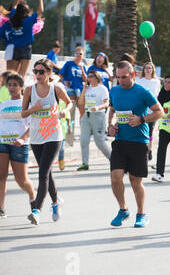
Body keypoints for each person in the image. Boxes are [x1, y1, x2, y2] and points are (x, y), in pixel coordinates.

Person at [107, 60, 163, 228]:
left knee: (135, 181)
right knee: (115, 178)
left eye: (124, 77)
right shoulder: (114, 91)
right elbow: (112, 109)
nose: (120, 81)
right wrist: (110, 125)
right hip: (120, 141)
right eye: (117, 78)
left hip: (139, 142)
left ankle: (141, 214)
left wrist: (142, 119)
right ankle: (123, 210)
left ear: (133, 75)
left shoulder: (142, 92)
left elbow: (159, 111)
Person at [21, 59, 72, 225]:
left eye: (41, 72)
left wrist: (64, 110)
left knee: (43, 173)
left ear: (49, 73)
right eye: (35, 71)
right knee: (47, 173)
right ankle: (56, 202)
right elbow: (23, 114)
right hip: (36, 137)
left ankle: (36, 209)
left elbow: (69, 103)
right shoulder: (29, 90)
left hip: (53, 135)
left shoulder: (56, 89)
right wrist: (33, 109)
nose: (37, 74)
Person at [0, 73, 36, 218]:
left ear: (21, 87)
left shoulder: (26, 105)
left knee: (21, 180)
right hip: (3, 144)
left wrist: (22, 139)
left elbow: (32, 125)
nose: (12, 87)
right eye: (9, 85)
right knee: (1, 176)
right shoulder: (2, 105)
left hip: (20, 145)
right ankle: (1, 208)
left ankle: (34, 198)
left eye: (15, 85)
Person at [77, 70, 111, 171]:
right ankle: (85, 163)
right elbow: (80, 103)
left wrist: (98, 107)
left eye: (91, 76)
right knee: (83, 140)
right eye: (88, 77)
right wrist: (83, 90)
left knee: (99, 141)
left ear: (97, 78)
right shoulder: (87, 89)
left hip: (98, 116)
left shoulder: (102, 89)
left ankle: (112, 158)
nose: (89, 78)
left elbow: (106, 103)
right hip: (86, 116)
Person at [9, 0, 44, 78]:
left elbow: (14, 5)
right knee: (22, 75)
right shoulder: (28, 21)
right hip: (26, 49)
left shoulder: (12, 18)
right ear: (26, 12)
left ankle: (11, 91)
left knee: (13, 74)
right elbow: (41, 11)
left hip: (15, 49)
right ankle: (20, 91)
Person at [59, 46, 87, 144]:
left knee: (82, 113)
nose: (78, 55)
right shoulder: (69, 64)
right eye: (77, 53)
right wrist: (64, 81)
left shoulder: (82, 66)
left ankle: (82, 134)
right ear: (74, 54)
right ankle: (68, 137)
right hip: (70, 90)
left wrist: (82, 69)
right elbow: (61, 74)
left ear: (83, 56)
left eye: (81, 54)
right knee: (70, 114)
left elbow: (85, 79)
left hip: (79, 91)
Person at [135, 61, 161, 161]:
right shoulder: (138, 80)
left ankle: (149, 150)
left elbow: (157, 96)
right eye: (146, 68)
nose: (148, 70)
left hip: (152, 111)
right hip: (140, 110)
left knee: (150, 132)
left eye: (150, 68)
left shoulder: (156, 81)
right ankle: (140, 149)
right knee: (140, 130)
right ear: (143, 69)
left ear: (153, 70)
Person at [0, 7, 15, 71]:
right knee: (10, 71)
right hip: (10, 47)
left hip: (20, 48)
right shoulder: (6, 25)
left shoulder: (24, 23)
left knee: (14, 72)